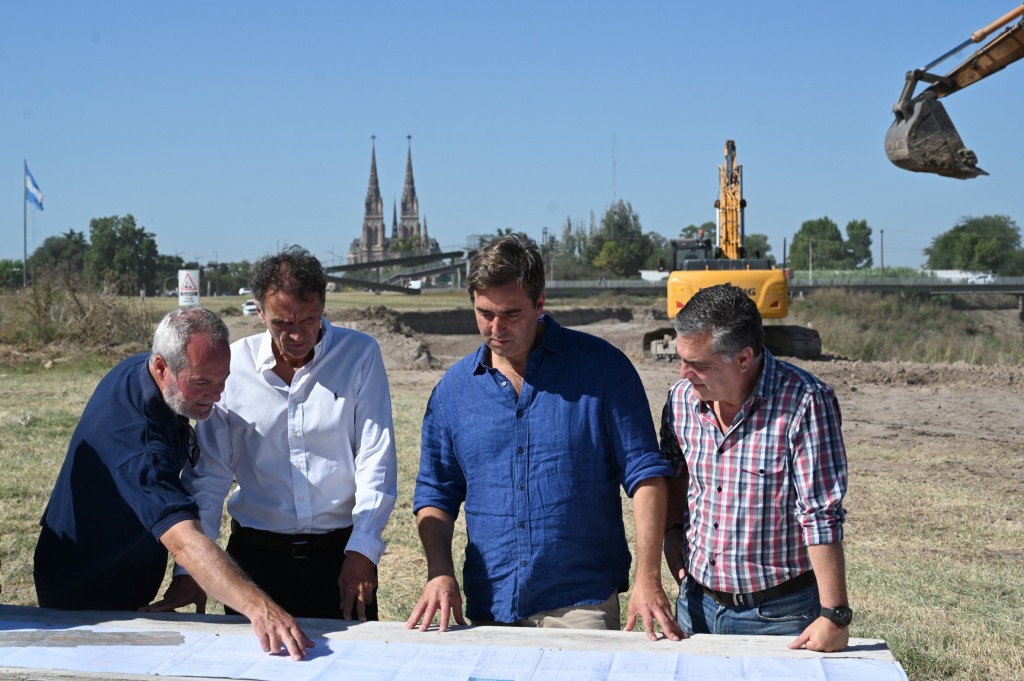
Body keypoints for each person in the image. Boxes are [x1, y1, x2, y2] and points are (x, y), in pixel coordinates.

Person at [406, 233, 682, 640]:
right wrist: (439, 572)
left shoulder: (602, 370)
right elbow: (435, 492)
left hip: (581, 604)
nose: (496, 328)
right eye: (484, 313)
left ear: (540, 303)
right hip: (490, 604)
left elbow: (646, 475)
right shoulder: (453, 391)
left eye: (512, 314)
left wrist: (648, 578)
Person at [33, 307, 312, 660]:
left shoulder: (144, 371)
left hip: (124, 569)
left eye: (222, 379)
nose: (217, 394)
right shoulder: (138, 443)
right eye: (201, 383)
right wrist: (260, 608)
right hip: (85, 589)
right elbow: (184, 541)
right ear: (162, 366)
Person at [170, 245, 397, 621]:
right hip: (255, 564)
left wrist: (363, 551)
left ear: (324, 305)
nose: (295, 335)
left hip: (340, 557)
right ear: (259, 311)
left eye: (307, 320)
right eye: (281, 323)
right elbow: (209, 477)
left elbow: (376, 456)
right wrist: (189, 571)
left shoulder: (359, 355)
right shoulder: (234, 367)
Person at [660, 284, 852, 652]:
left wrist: (833, 615)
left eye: (698, 364)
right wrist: (671, 533)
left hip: (780, 616)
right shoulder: (681, 399)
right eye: (680, 359)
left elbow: (820, 513)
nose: (685, 374)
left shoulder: (806, 402)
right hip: (694, 606)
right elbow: (674, 472)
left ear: (744, 359)